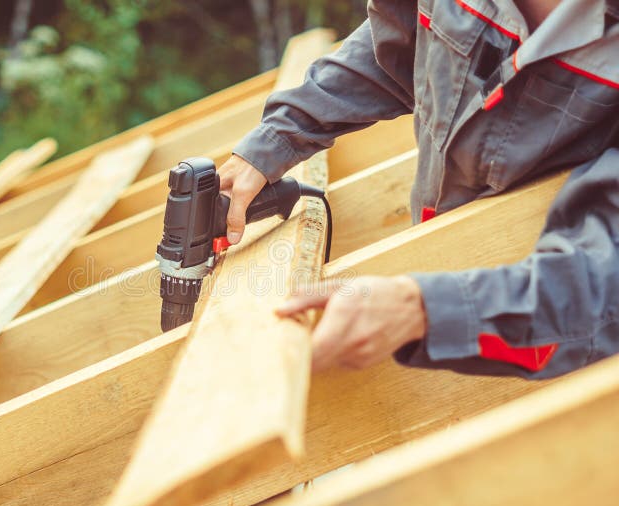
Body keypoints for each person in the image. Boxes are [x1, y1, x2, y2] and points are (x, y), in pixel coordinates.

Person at [219, 0, 619, 378]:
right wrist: (278, 137)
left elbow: (605, 286)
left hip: (557, 360)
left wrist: (426, 310)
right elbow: (402, 49)